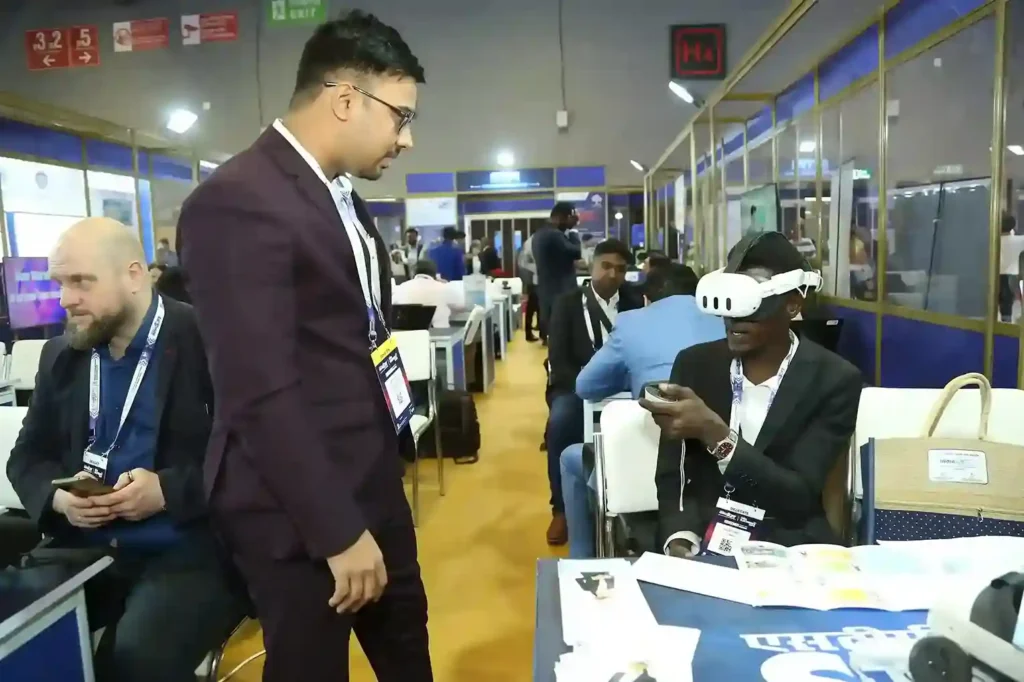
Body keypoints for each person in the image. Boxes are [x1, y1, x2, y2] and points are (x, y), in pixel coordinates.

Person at [176, 12, 432, 681]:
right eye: (401, 117)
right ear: (345, 99)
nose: (406, 139)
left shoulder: (340, 195)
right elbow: (257, 391)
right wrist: (337, 532)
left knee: (408, 651)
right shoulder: (237, 202)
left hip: (372, 480)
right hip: (298, 511)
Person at [6, 218, 245, 682]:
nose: (65, 299)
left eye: (81, 282)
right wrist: (60, 500)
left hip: (188, 548)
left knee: (133, 661)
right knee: (20, 636)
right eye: (60, 283)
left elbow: (251, 457)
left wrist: (168, 491)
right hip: (83, 546)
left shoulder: (210, 342)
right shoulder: (61, 355)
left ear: (134, 275)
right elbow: (27, 457)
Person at [641, 233, 861, 558]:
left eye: (751, 302)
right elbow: (676, 475)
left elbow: (798, 494)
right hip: (706, 537)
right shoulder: (695, 364)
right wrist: (679, 537)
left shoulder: (834, 380)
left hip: (790, 544)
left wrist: (716, 435)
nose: (735, 316)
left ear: (792, 304)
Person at [559, 264, 726, 557]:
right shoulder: (726, 322)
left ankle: (581, 559)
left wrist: (633, 375)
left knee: (571, 458)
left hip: (645, 468)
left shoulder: (630, 322)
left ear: (647, 299)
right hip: (716, 470)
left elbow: (585, 386)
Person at [544, 238, 641, 545]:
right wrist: (590, 387)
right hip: (576, 386)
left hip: (626, 386)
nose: (612, 274)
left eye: (620, 269)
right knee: (560, 424)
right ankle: (561, 509)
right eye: (606, 266)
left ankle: (638, 504)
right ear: (592, 265)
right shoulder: (567, 303)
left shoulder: (636, 302)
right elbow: (558, 359)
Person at [533, 202, 582, 341]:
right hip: (561, 294)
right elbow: (576, 252)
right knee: (565, 340)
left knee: (556, 340)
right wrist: (573, 233)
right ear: (562, 217)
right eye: (571, 217)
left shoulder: (539, 234)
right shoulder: (554, 235)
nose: (574, 221)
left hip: (547, 292)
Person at [393, 259, 466, 327]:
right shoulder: (443, 288)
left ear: (413, 273)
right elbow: (463, 306)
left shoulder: (402, 287)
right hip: (439, 334)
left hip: (410, 334)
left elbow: (391, 306)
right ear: (435, 274)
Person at [519, 232, 541, 342]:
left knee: (535, 307)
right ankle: (530, 333)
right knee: (533, 307)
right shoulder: (532, 243)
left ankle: (538, 330)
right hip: (534, 280)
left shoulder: (530, 242)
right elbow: (526, 262)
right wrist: (538, 268)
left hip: (534, 279)